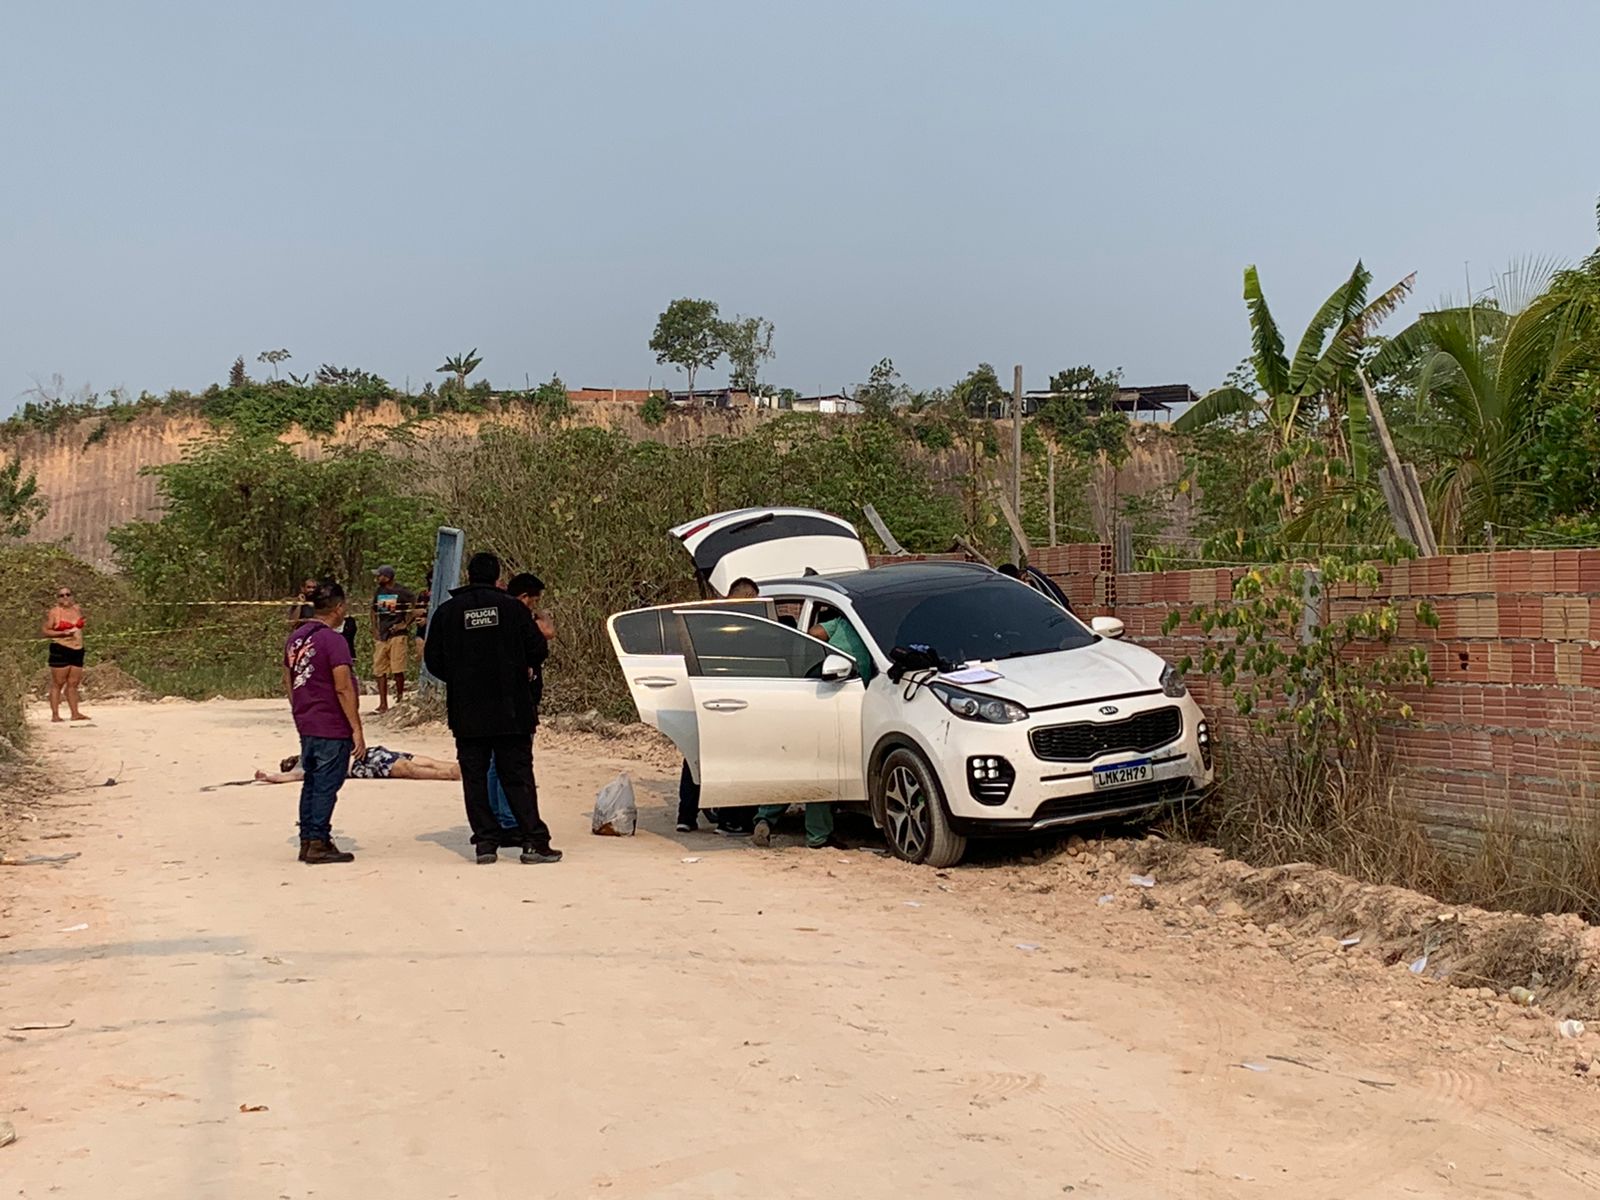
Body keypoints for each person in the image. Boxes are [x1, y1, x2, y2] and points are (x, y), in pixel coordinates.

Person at [424, 551, 561, 865]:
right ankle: (533, 842)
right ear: (497, 576)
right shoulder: (513, 609)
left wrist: (460, 679)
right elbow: (538, 649)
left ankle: (485, 843)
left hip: (467, 711)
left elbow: (433, 661)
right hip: (511, 709)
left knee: (475, 777)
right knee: (517, 776)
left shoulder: (447, 612)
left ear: (469, 576)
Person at [751, 605, 865, 850]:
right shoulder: (861, 628)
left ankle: (765, 817)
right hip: (841, 700)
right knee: (822, 769)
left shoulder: (839, 625)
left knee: (796, 765)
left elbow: (812, 634)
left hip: (813, 694)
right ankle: (818, 836)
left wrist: (824, 653)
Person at [284, 579, 365, 864]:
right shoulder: (334, 640)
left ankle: (309, 838)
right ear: (339, 608)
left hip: (307, 722)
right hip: (331, 724)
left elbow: (288, 680)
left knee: (312, 781)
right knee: (327, 785)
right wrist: (356, 728)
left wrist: (300, 709)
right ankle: (318, 839)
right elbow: (343, 686)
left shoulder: (295, 638)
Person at [678, 577, 762, 835]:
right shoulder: (746, 626)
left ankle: (686, 816)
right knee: (730, 759)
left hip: (702, 696)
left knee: (695, 757)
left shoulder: (706, 620)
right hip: (733, 701)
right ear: (748, 597)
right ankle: (729, 820)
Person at [486, 572, 554, 842]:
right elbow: (548, 632)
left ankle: (497, 815)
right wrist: (543, 616)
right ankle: (509, 818)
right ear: (525, 597)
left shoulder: (498, 614)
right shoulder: (518, 616)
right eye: (534, 601)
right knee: (512, 763)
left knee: (494, 762)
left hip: (499, 701)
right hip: (517, 704)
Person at [254, 747, 461, 783]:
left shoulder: (312, 758)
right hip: (367, 758)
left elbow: (288, 776)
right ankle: (451, 771)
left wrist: (268, 775)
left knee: (413, 764)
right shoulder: (307, 765)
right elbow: (289, 776)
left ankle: (452, 771)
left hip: (367, 758)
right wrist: (268, 775)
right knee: (411, 764)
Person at [371, 565, 415, 713]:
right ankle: (383, 703)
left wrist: (405, 623)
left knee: (398, 668)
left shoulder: (401, 591)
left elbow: (414, 606)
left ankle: (400, 698)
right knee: (379, 668)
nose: (377, 578)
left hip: (397, 634)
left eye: (380, 576)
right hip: (382, 635)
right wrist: (375, 628)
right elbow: (373, 610)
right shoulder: (379, 592)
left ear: (387, 577)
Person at [42, 585, 88, 723]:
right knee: (58, 682)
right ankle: (55, 714)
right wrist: (62, 633)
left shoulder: (77, 610)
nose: (65, 597)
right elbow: (46, 630)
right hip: (61, 648)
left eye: (68, 594)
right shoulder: (55, 612)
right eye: (62, 595)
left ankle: (75, 713)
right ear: (58, 598)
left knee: (73, 683)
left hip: (77, 649)